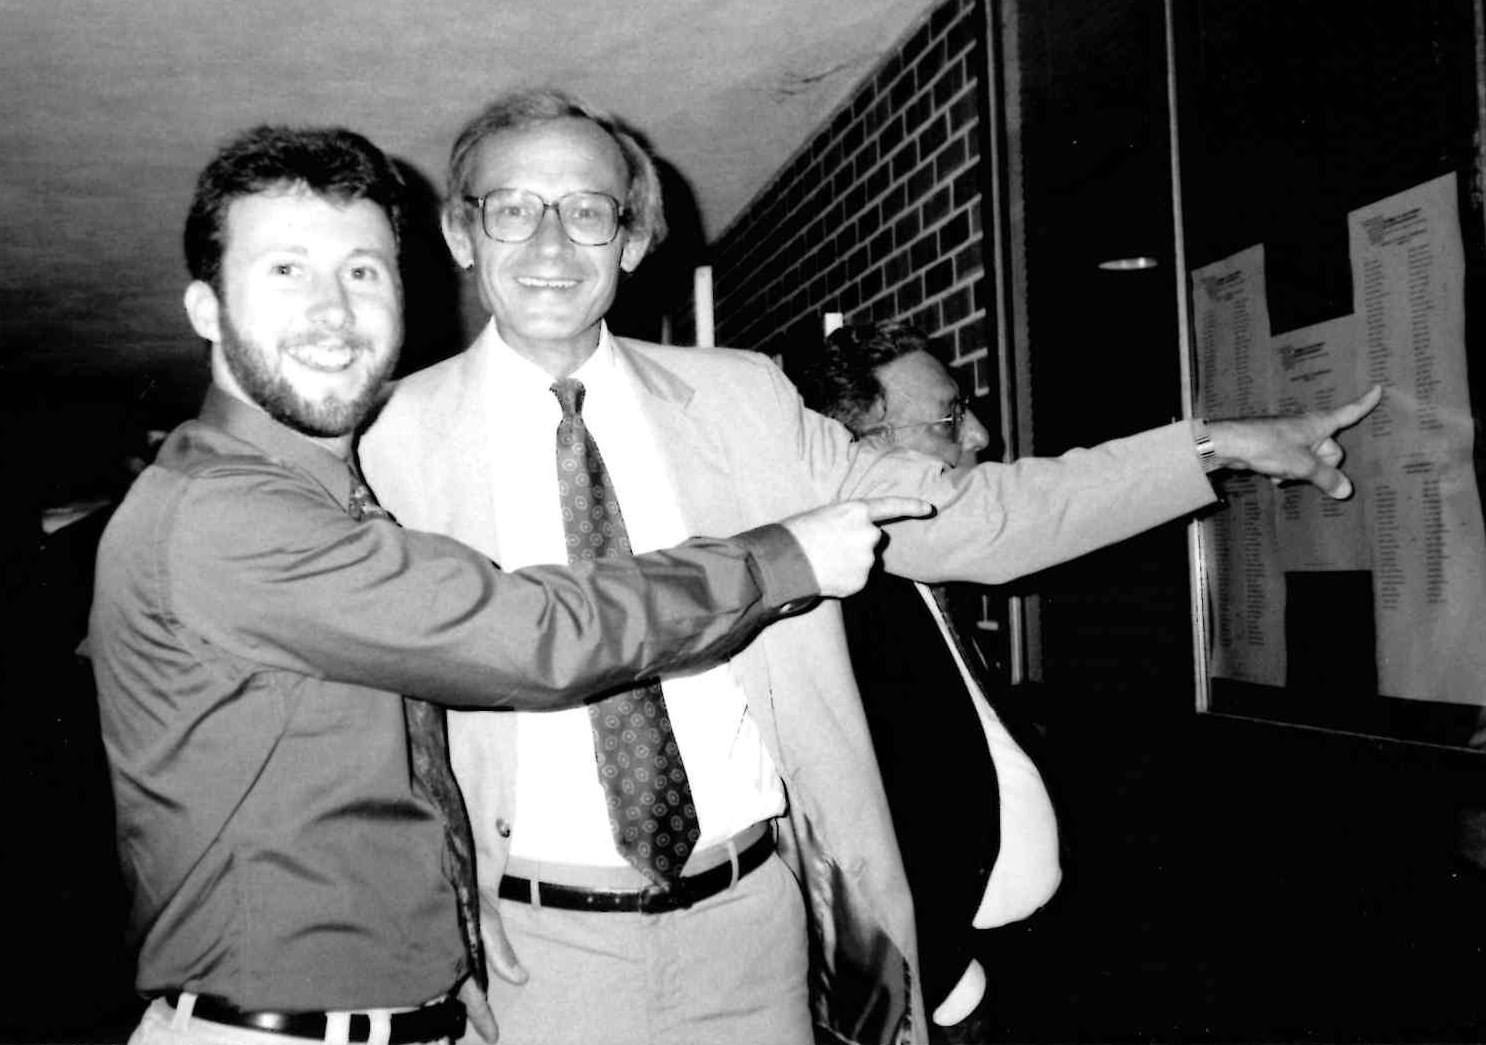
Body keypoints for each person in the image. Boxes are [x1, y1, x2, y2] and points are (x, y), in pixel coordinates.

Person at [359, 87, 1382, 1045]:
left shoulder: (744, 403)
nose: (548, 242)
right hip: (528, 945)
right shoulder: (382, 445)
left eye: (586, 209)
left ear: (630, 240)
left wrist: (1209, 446)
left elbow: (971, 515)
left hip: (754, 927)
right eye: (511, 208)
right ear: (460, 232)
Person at [90, 123, 922, 1045]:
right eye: (286, 270)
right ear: (205, 308)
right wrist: (780, 558)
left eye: (362, 271)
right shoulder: (224, 515)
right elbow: (533, 636)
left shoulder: (330, 496)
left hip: (448, 1007)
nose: (333, 309)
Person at [788, 320, 1061, 1032]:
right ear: (863, 451)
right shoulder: (840, 610)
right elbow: (840, 824)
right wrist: (942, 978)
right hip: (945, 992)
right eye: (949, 416)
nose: (978, 435)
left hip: (1014, 961)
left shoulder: (926, 572)